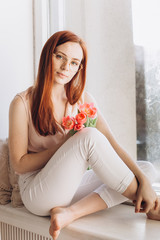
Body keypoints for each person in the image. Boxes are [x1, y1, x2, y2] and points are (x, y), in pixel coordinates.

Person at [9, 30, 160, 240]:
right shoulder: (22, 102)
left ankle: (69, 213)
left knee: (147, 169)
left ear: (80, 68)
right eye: (59, 56)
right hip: (38, 192)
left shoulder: (83, 100)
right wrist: (68, 142)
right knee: (88, 135)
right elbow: (19, 164)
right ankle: (152, 206)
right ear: (47, 56)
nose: (65, 67)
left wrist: (143, 180)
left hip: (71, 184)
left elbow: (110, 142)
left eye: (73, 62)